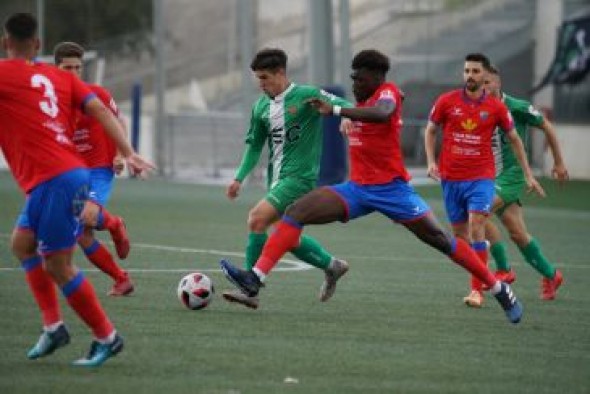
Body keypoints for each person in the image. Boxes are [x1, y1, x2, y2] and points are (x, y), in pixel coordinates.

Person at [220, 49, 523, 324]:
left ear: (376, 78)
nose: (355, 83)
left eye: (360, 78)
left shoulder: (386, 93)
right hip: (357, 190)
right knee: (296, 211)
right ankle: (255, 279)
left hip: (393, 191)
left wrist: (338, 112)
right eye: (352, 78)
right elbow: (358, 110)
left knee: (441, 240)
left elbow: (383, 113)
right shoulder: (360, 103)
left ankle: (498, 288)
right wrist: (345, 114)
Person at [0, 13, 153, 366]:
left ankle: (107, 337)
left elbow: (100, 107)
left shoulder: (6, 74)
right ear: (37, 47)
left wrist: (119, 155)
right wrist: (129, 153)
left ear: (6, 44)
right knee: (22, 245)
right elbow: (99, 108)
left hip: (55, 177)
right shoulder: (59, 79)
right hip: (61, 175)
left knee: (58, 264)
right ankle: (54, 326)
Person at [221, 48, 353, 309]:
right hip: (278, 179)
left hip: (300, 178)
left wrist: (345, 117)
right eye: (258, 78)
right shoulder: (260, 106)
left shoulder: (306, 95)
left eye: (265, 78)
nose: (261, 84)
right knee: (288, 238)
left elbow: (346, 104)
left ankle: (251, 288)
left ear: (281, 73)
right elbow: (254, 146)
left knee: (256, 219)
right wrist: (239, 178)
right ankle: (332, 265)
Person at [423, 53, 545, 308]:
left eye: (475, 71)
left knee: (477, 222)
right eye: (467, 71)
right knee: (461, 236)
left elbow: (515, 139)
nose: (470, 75)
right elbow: (431, 129)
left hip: (481, 178)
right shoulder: (447, 101)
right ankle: (489, 274)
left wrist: (528, 174)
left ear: (485, 75)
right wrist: (431, 162)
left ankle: (476, 291)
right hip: (451, 179)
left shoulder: (496, 107)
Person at [54, 41, 133, 297]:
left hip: (100, 169)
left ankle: (113, 224)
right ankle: (121, 279)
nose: (73, 73)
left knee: (86, 216)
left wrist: (121, 154)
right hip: (71, 173)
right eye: (67, 68)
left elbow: (119, 122)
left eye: (78, 67)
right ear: (55, 69)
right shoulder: (51, 103)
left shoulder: (97, 94)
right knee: (82, 234)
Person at [483, 64, 568, 300]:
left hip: (511, 175)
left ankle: (503, 269)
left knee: (478, 212)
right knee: (518, 233)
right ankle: (551, 275)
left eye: (487, 82)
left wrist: (558, 162)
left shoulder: (517, 107)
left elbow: (546, 126)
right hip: (491, 176)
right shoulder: (480, 108)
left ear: (498, 83)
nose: (483, 87)